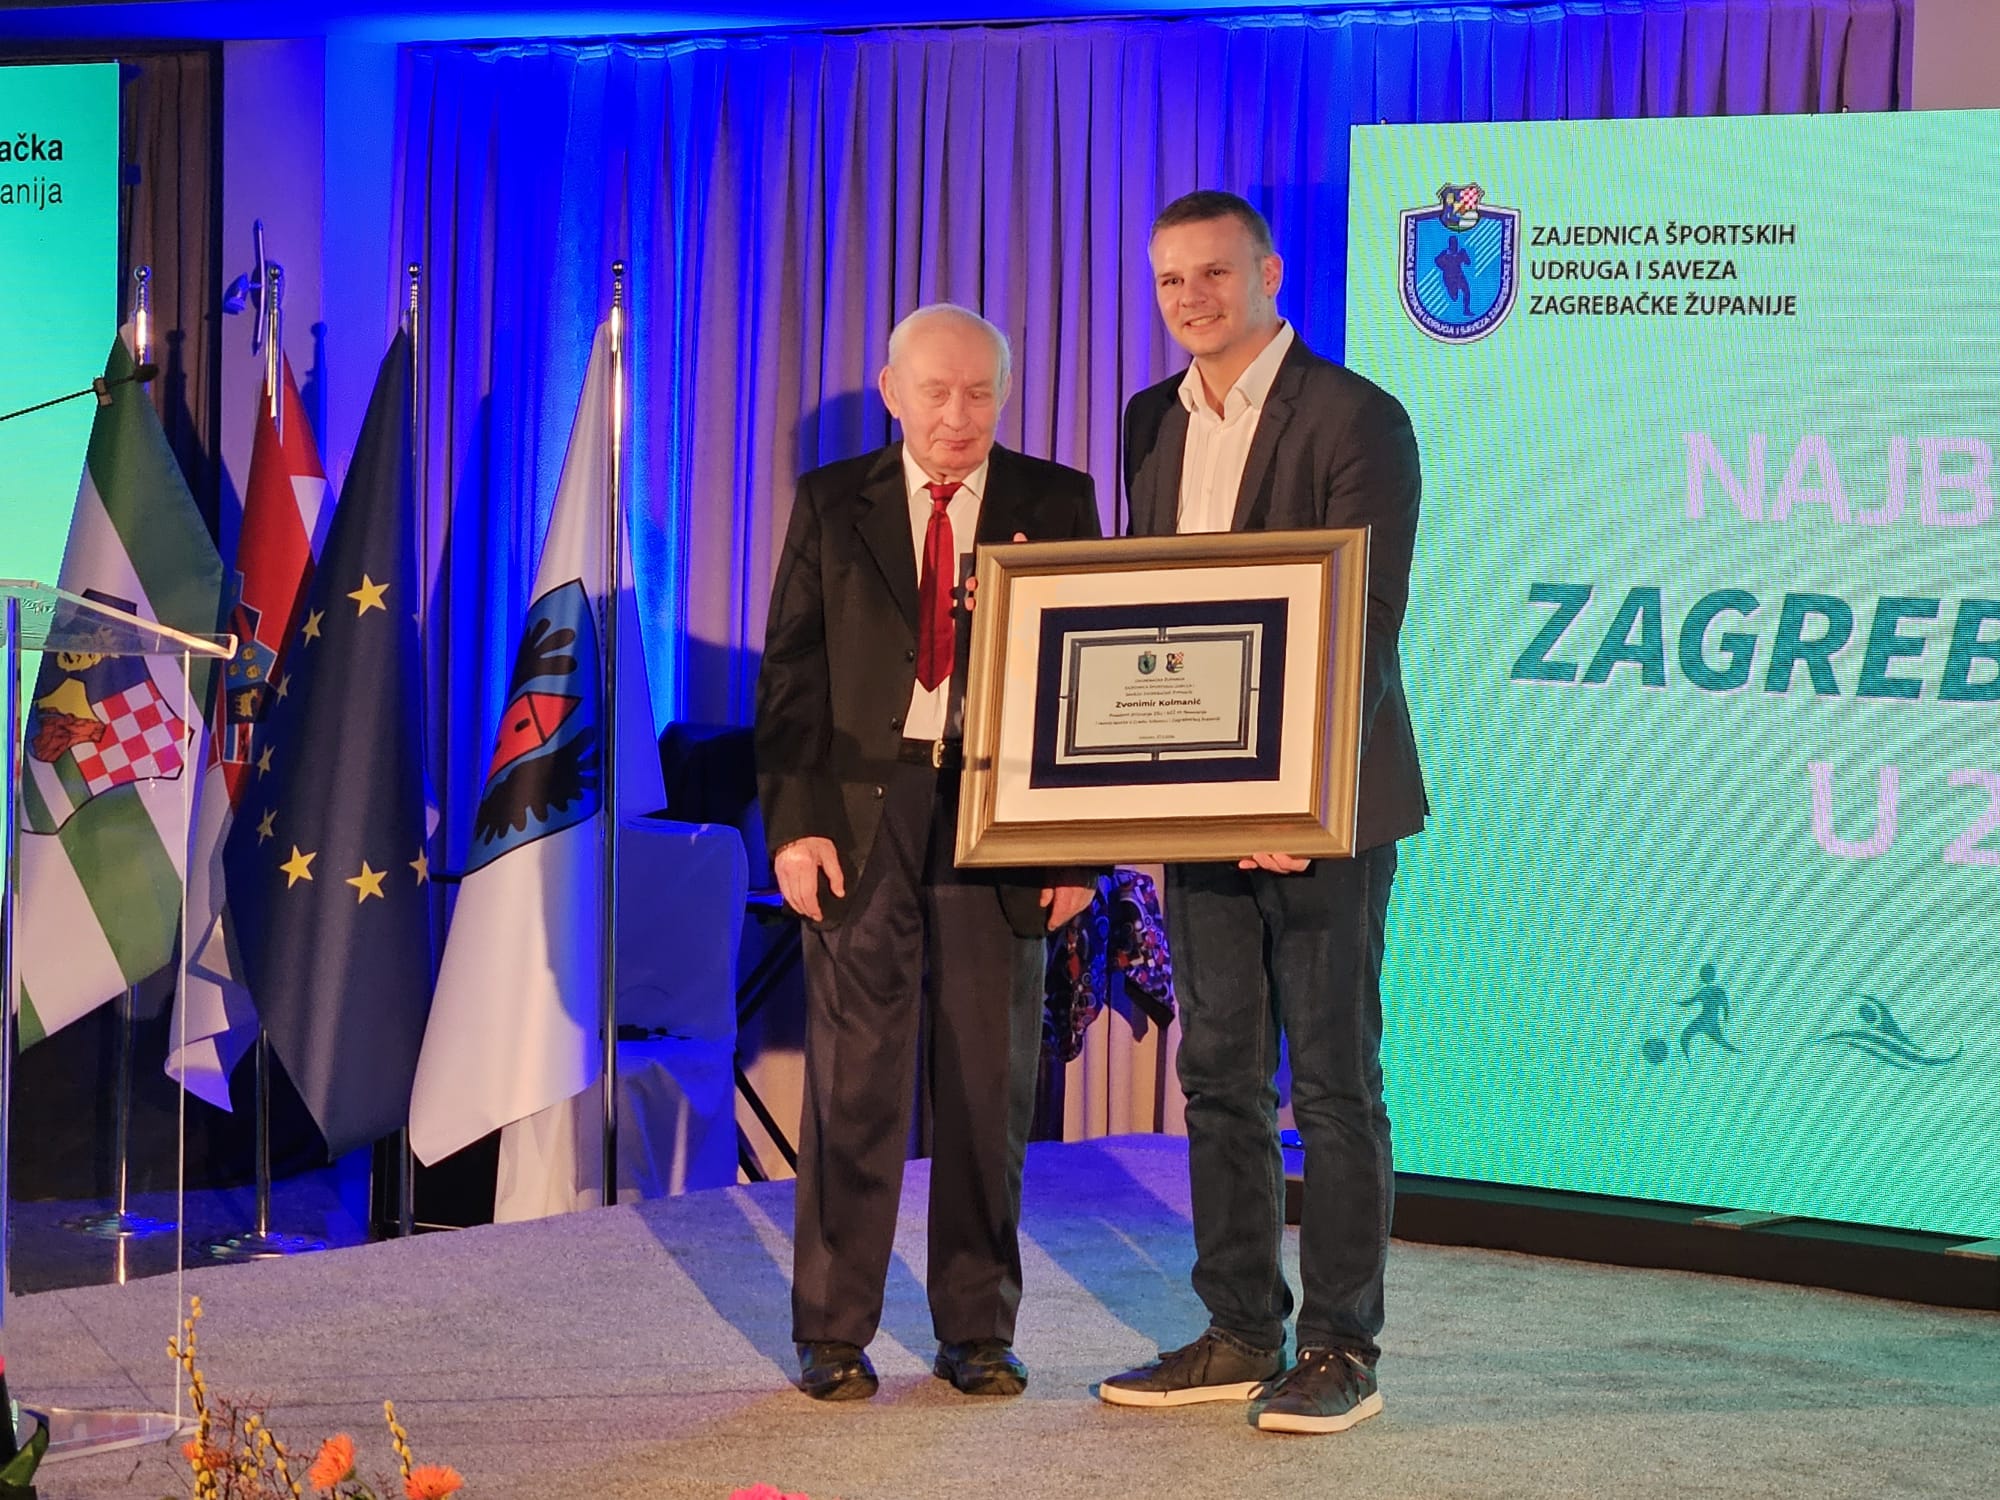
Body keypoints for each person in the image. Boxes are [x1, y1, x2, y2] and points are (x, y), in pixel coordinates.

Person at [1097, 191, 1427, 1435]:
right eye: (1169, 279)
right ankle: (1240, 1330)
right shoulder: (1148, 419)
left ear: (1269, 274)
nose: (1190, 298)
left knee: (1332, 1084)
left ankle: (1341, 1347)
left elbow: (1364, 622)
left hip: (1323, 808)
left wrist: (1304, 793)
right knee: (1218, 1075)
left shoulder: (1355, 415)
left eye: (1213, 273)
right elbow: (1145, 613)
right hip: (1197, 800)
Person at [755, 303, 1099, 1402]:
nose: (959, 416)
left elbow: (1084, 685)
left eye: (980, 393)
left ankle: (977, 1330)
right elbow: (791, 678)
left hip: (1004, 810)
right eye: (938, 392)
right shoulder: (832, 501)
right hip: (867, 809)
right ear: (893, 391)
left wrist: (1078, 849)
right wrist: (795, 824)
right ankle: (832, 1330)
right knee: (854, 1081)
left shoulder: (1057, 501)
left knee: (988, 1081)